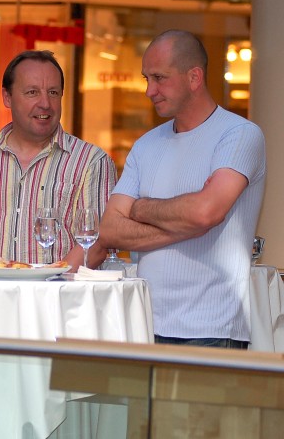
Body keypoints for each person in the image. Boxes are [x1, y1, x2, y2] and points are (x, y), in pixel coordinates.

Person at [99, 29, 266, 349]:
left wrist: (139, 208)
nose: (149, 90)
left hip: (213, 327)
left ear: (194, 77)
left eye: (159, 78)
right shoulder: (146, 144)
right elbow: (109, 230)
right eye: (147, 78)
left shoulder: (240, 135)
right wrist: (189, 224)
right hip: (145, 322)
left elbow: (205, 212)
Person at [0, 50, 116, 270]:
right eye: (32, 92)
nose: (45, 103)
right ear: (7, 97)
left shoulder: (91, 162)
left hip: (60, 290)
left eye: (53, 92)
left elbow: (95, 245)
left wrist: (47, 283)